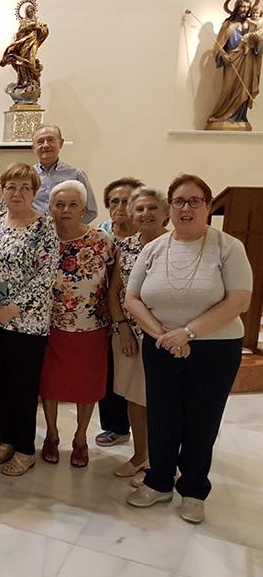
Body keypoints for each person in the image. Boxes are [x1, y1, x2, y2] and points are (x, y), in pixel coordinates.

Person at [126, 174, 252, 524]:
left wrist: (188, 333)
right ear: (170, 208)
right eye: (179, 201)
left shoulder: (228, 247)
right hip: (161, 345)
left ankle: (194, 490)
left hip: (215, 348)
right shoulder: (153, 248)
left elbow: (239, 300)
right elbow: (132, 298)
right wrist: (163, 336)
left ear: (208, 206)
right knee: (162, 415)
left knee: (202, 419)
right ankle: (159, 482)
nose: (186, 208)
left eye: (195, 201)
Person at [0, 163, 59, 476]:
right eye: (11, 186)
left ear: (34, 192)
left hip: (26, 322)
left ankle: (25, 449)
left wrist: (13, 308)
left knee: (22, 387)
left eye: (25, 187)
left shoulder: (44, 226)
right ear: (1, 191)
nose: (17, 193)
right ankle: (7, 440)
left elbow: (46, 275)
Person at [39, 180, 114, 468]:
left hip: (92, 325)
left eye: (73, 204)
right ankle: (52, 435)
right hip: (51, 324)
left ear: (84, 208)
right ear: (50, 208)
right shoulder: (43, 239)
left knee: (88, 385)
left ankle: (80, 438)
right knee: (50, 383)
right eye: (59, 205)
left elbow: (114, 279)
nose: (66, 210)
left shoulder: (101, 240)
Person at [107, 187, 168, 482]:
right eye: (140, 209)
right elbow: (114, 292)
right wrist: (122, 328)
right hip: (129, 334)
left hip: (166, 336)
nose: (146, 214)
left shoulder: (176, 244)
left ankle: (163, 461)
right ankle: (140, 455)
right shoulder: (127, 246)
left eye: (153, 208)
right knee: (134, 397)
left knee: (162, 400)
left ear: (166, 213)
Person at [94, 177, 144, 448]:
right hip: (102, 315)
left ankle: (147, 434)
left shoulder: (148, 235)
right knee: (109, 372)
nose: (120, 207)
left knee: (139, 378)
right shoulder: (100, 234)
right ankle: (116, 427)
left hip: (141, 318)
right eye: (114, 201)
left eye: (127, 201)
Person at [207, 0, 261, 126]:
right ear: (237, 8)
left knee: (244, 89)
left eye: (247, 7)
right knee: (228, 89)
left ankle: (240, 117)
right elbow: (218, 45)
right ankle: (221, 115)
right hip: (232, 60)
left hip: (248, 61)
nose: (245, 10)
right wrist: (223, 55)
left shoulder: (250, 25)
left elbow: (257, 45)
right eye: (242, 6)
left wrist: (257, 42)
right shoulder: (228, 25)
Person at [30, 124, 98, 223]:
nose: (46, 145)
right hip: (34, 231)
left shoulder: (76, 175)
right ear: (34, 147)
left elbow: (91, 211)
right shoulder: (28, 176)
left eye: (50, 140)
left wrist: (70, 227)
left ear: (61, 143)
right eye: (40, 141)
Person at [0, 0, 50, 102]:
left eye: (32, 11)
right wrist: (32, 26)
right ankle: (24, 80)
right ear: (26, 13)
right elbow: (21, 31)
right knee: (22, 62)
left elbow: (44, 30)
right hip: (24, 44)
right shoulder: (24, 21)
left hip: (33, 43)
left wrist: (41, 28)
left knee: (31, 62)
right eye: (29, 11)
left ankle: (30, 80)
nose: (31, 13)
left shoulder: (38, 20)